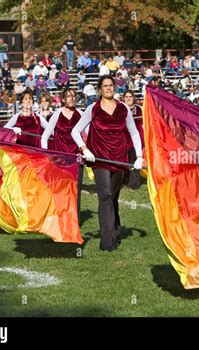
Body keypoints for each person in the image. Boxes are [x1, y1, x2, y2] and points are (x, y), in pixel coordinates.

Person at [71, 75, 143, 252]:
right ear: (100, 89)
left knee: (114, 197)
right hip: (100, 159)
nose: (109, 88)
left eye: (111, 85)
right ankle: (107, 241)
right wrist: (85, 150)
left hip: (119, 159)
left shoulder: (123, 108)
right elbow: (75, 131)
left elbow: (134, 133)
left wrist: (139, 156)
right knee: (105, 196)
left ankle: (115, 230)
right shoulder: (92, 109)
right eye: (105, 86)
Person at [41, 88, 84, 224]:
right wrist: (46, 154)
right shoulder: (57, 114)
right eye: (68, 97)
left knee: (75, 190)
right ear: (63, 99)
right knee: (60, 189)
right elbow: (45, 136)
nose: (71, 98)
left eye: (73, 96)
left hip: (77, 159)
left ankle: (74, 220)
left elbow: (91, 134)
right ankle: (59, 217)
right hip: (60, 159)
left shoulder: (81, 114)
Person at [122, 90, 144, 189]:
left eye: (130, 97)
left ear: (133, 98)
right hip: (123, 140)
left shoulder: (139, 109)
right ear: (123, 98)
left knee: (135, 161)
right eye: (127, 97)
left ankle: (134, 183)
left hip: (137, 140)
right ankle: (124, 180)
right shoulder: (120, 109)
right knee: (124, 162)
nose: (129, 99)